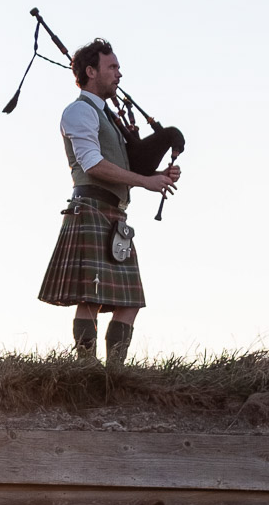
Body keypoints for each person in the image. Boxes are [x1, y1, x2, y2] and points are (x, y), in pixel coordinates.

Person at [36, 38, 180, 366]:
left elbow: (120, 163)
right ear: (91, 71)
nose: (118, 74)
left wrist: (158, 175)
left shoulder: (108, 117)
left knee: (130, 301)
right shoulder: (78, 111)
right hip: (90, 209)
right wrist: (146, 182)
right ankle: (86, 367)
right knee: (90, 297)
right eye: (112, 67)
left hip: (114, 215)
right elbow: (92, 163)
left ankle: (114, 372)